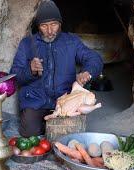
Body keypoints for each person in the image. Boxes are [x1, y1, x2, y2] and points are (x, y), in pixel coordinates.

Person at [10, 0, 103, 137]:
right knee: (29, 132)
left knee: (69, 134)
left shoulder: (71, 41)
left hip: (64, 100)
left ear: (60, 24)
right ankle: (48, 125)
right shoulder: (27, 43)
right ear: (38, 26)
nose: (49, 31)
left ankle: (52, 124)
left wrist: (87, 72)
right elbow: (14, 76)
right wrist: (29, 70)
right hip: (36, 101)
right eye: (44, 26)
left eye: (54, 24)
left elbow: (95, 58)